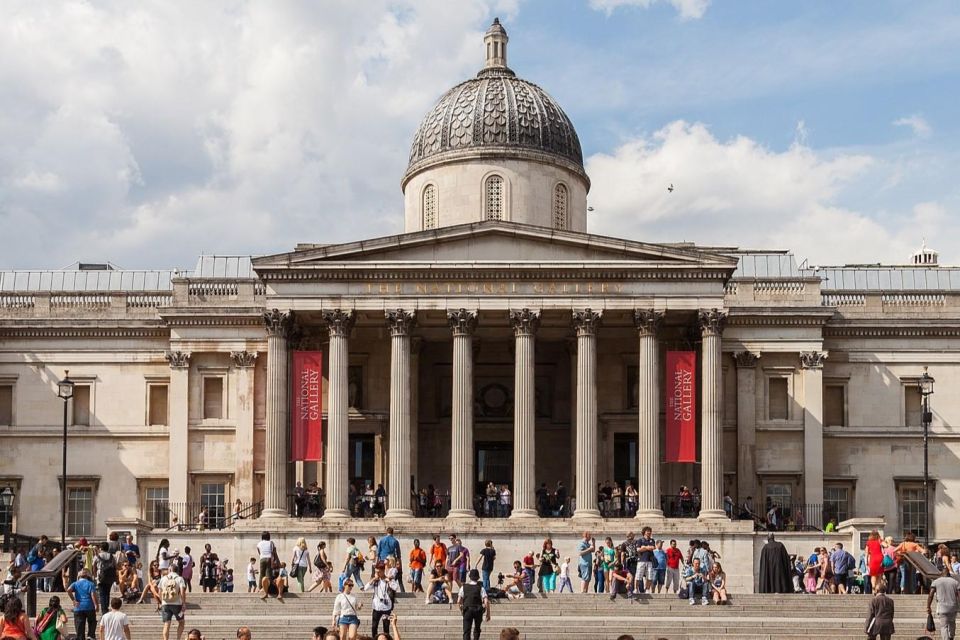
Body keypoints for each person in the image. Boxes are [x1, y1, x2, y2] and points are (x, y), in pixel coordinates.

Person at [363, 562, 399, 638]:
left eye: (379, 572)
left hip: (386, 607)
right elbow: (365, 588)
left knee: (386, 628)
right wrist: (373, 579)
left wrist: (389, 581)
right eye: (376, 572)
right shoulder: (375, 581)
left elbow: (396, 587)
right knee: (374, 627)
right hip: (377, 607)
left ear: (383, 571)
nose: (377, 573)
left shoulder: (389, 579)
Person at [928, 565, 960, 640]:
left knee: (944, 626)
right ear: (948, 573)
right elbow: (959, 595)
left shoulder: (936, 582)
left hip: (942, 608)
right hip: (953, 607)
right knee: (952, 623)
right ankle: (951, 637)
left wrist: (928, 606)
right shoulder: (955, 582)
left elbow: (930, 595)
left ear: (941, 573)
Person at [67, 568, 100, 640]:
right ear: (87, 576)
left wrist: (73, 600)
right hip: (89, 606)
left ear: (79, 577)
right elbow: (93, 595)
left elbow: (68, 590)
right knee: (92, 622)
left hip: (78, 607)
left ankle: (80, 637)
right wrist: (96, 605)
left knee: (79, 626)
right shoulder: (90, 584)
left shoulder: (75, 583)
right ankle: (90, 636)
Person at [158, 563, 187, 640]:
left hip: (165, 604)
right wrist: (184, 603)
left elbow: (159, 592)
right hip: (177, 604)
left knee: (167, 624)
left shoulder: (163, 578)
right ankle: (178, 638)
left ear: (169, 570)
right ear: (177, 570)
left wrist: (161, 602)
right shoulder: (180, 578)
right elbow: (182, 592)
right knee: (181, 622)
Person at [460, 569, 490, 640]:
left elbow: (459, 601)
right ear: (478, 578)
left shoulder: (463, 587)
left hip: (467, 609)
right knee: (477, 629)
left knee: (466, 630)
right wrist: (488, 613)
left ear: (470, 577)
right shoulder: (481, 588)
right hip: (478, 609)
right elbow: (486, 601)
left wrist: (461, 609)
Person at [94, 541, 118, 615]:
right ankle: (106, 607)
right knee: (107, 593)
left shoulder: (97, 556)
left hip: (100, 577)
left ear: (101, 548)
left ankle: (104, 610)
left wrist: (95, 576)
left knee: (102, 594)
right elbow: (115, 567)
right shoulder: (112, 556)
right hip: (110, 577)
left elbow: (94, 567)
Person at [256, 531, 277, 600]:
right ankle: (267, 589)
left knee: (261, 574)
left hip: (262, 558)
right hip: (269, 558)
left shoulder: (259, 543)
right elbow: (273, 552)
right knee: (268, 575)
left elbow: (259, 551)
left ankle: (260, 588)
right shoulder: (271, 542)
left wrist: (262, 555)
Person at [636, 527, 656, 594]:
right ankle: (636, 589)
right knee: (638, 575)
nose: (649, 532)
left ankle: (647, 589)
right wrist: (648, 547)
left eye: (650, 531)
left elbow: (653, 547)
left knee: (650, 576)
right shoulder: (640, 540)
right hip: (641, 560)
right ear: (644, 532)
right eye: (648, 531)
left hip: (650, 560)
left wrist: (644, 547)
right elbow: (638, 549)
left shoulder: (652, 540)